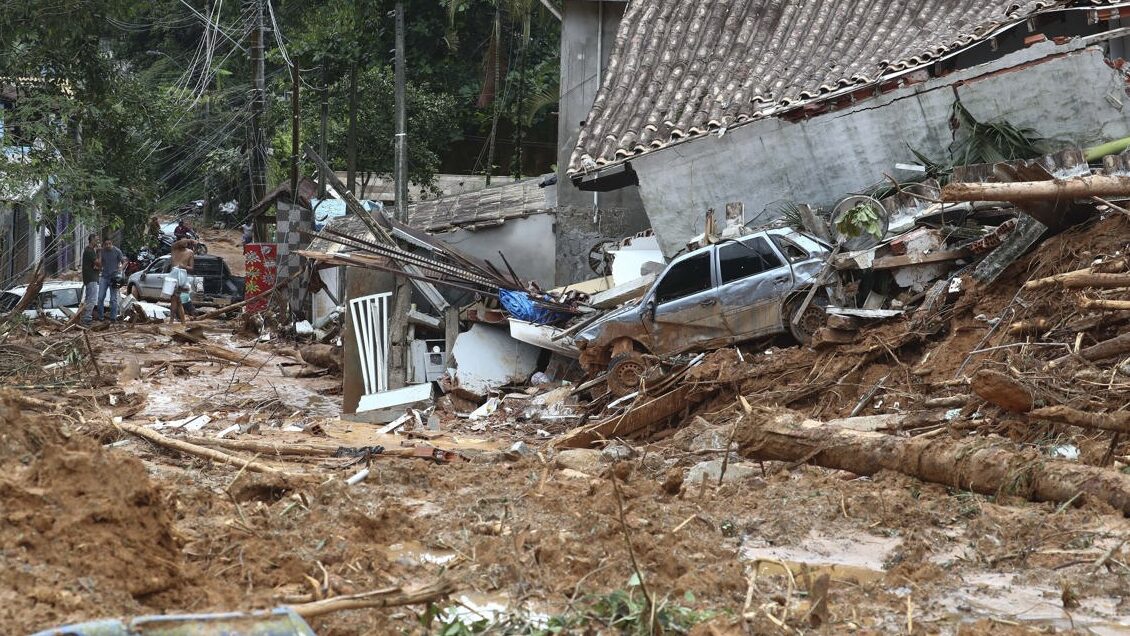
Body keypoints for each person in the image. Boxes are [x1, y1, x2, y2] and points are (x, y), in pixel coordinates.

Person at [95, 238, 125, 322]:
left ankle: (113, 318)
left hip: (114, 278)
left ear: (112, 243)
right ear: (104, 244)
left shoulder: (117, 251)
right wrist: (99, 254)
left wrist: (121, 269)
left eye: (109, 244)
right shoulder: (102, 251)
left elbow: (124, 262)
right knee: (100, 297)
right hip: (104, 277)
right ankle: (101, 317)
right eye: (106, 244)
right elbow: (100, 265)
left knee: (113, 299)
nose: (108, 245)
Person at [168, 238, 196, 323]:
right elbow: (174, 244)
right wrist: (187, 240)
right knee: (176, 300)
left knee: (178, 299)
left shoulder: (190, 252)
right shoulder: (174, 249)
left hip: (183, 278)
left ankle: (173, 321)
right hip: (173, 277)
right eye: (183, 241)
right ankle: (180, 321)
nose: (185, 243)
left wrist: (183, 266)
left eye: (186, 242)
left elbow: (191, 268)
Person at [81, 235, 100, 325]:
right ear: (92, 240)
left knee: (88, 299)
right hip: (91, 278)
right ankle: (87, 319)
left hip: (90, 277)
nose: (98, 241)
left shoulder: (90, 250)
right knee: (92, 299)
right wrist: (100, 253)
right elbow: (98, 263)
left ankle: (84, 317)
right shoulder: (90, 251)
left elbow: (95, 265)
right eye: (96, 240)